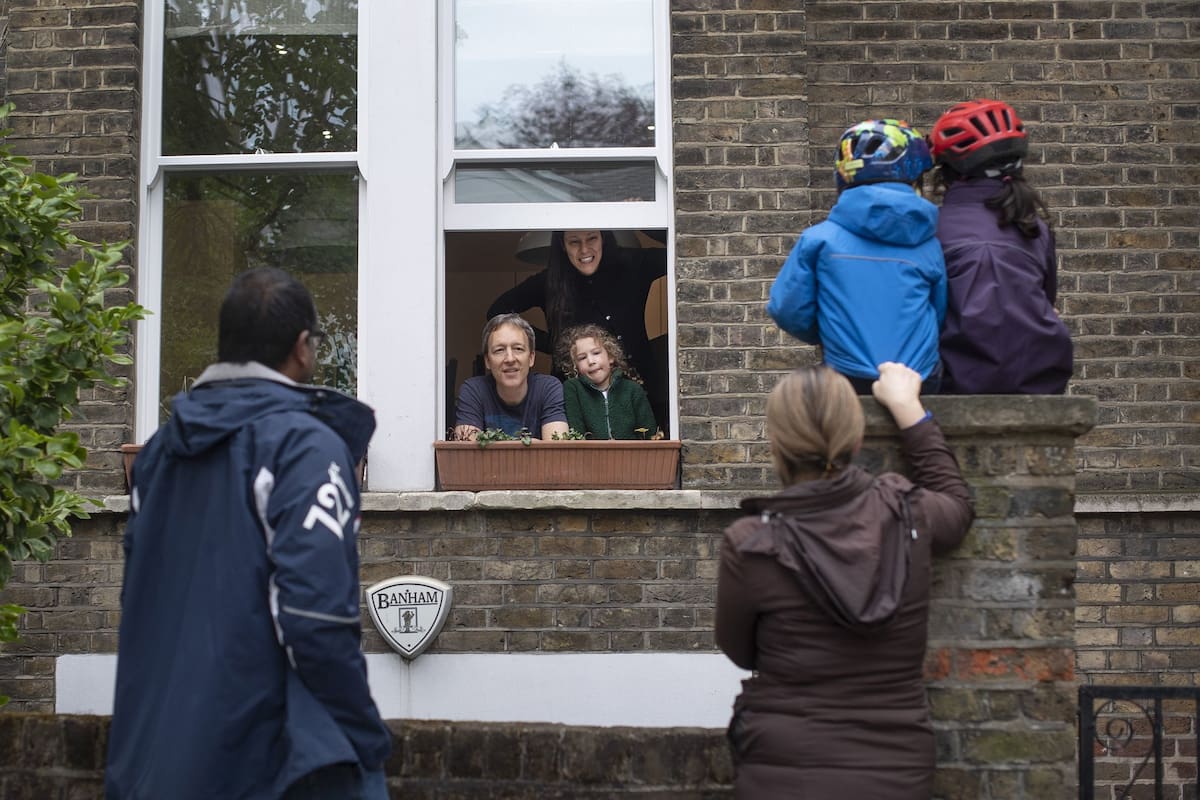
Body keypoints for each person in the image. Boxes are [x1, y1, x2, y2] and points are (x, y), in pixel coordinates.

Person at [106, 268, 391, 800]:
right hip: (271, 766)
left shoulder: (158, 455)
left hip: (156, 760)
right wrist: (366, 740)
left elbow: (137, 599)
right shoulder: (305, 447)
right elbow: (316, 620)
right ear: (303, 348)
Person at [716, 362, 973, 798]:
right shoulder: (908, 512)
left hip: (782, 768)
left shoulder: (751, 542)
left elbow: (742, 653)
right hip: (897, 768)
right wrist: (910, 411)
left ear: (777, 444)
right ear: (856, 439)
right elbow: (958, 506)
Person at [766, 119, 947, 394]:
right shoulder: (929, 245)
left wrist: (830, 329)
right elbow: (939, 312)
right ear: (914, 178)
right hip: (918, 380)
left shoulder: (819, 239)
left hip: (846, 379)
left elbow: (787, 309)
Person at [928, 98, 1074, 394]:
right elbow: (1046, 300)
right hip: (1040, 382)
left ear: (947, 172)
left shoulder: (932, 229)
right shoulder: (1034, 227)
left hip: (956, 386)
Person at [487, 229, 669, 431]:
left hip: (642, 387)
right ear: (563, 246)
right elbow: (497, 311)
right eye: (574, 242)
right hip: (575, 397)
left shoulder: (632, 264)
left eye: (592, 238)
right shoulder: (550, 280)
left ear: (603, 238)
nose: (584, 249)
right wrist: (551, 343)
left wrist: (644, 220)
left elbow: (679, 252)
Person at [453, 313, 570, 441]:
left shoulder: (548, 388)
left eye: (518, 349)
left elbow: (558, 453)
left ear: (531, 358)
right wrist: (530, 447)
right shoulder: (473, 391)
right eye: (499, 350)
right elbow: (466, 455)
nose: (509, 359)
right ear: (487, 360)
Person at [557, 323, 660, 439]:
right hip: (590, 456)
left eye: (596, 353)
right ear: (575, 366)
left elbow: (650, 435)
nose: (591, 361)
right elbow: (576, 434)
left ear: (610, 356)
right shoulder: (573, 389)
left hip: (631, 456)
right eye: (582, 358)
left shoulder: (632, 389)